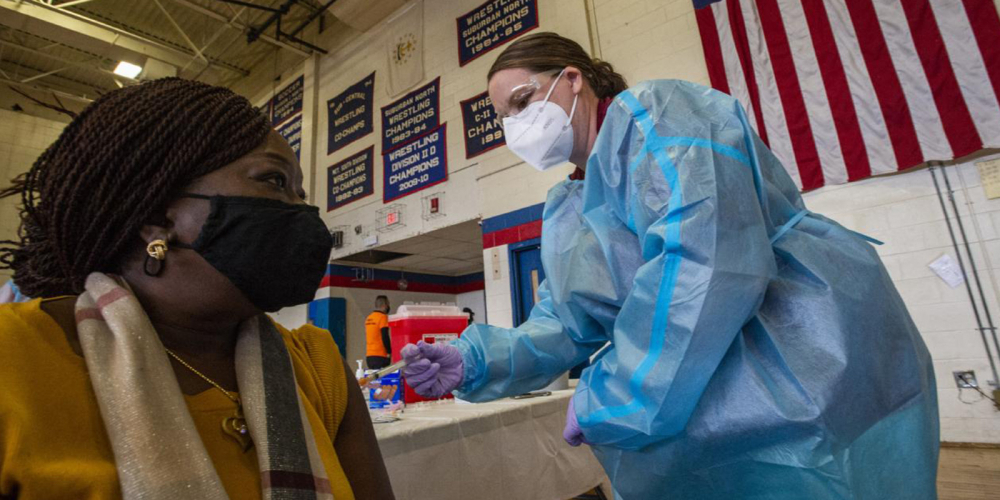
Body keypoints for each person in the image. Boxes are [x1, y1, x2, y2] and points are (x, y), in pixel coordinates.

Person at [401, 32, 938, 499]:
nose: (515, 125)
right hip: (697, 405)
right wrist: (477, 360)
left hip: (807, 361)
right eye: (504, 117)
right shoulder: (570, 209)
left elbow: (706, 259)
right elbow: (566, 322)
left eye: (522, 101)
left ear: (571, 79)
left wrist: (614, 395)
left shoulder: (657, 116)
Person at [0, 78, 394, 500]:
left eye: (301, 193)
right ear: (157, 218)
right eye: (275, 182)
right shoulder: (15, 358)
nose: (303, 212)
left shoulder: (319, 369)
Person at [365, 295, 392, 369]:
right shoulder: (383, 317)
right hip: (380, 356)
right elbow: (385, 336)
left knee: (374, 380)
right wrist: (389, 351)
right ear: (384, 305)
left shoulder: (369, 318)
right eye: (388, 304)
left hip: (369, 356)